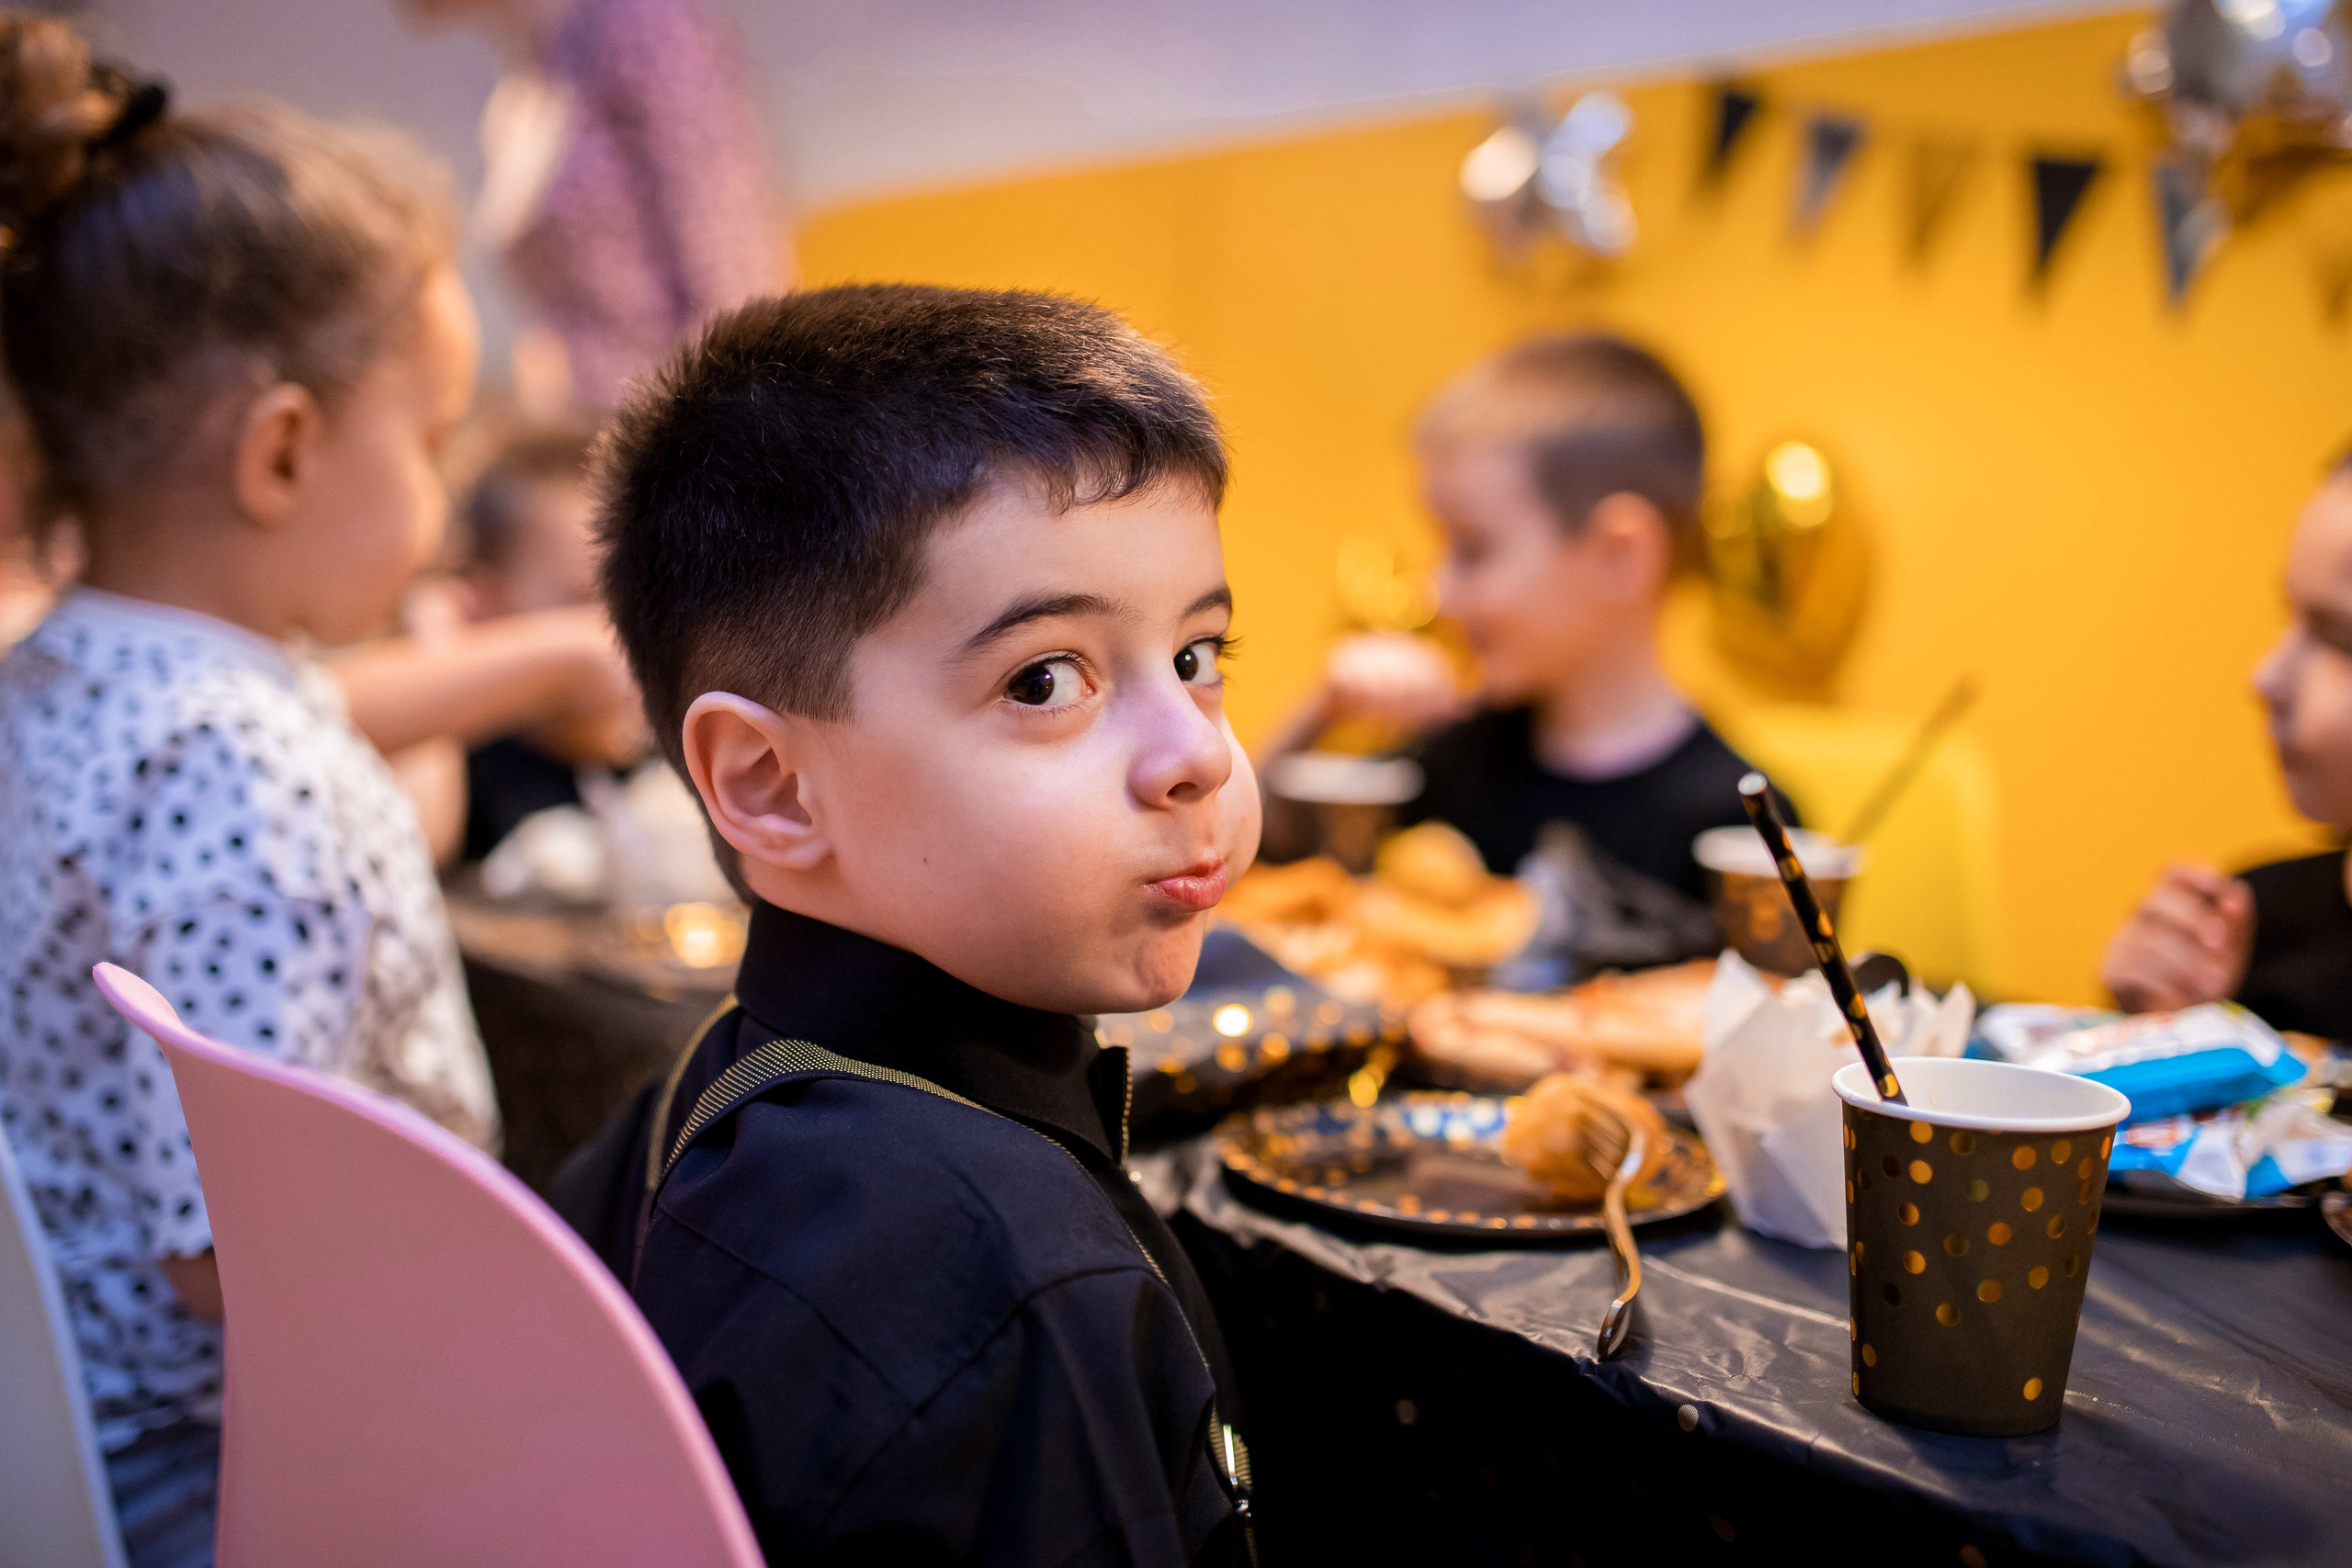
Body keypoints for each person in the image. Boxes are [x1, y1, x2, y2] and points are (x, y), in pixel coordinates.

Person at [594, 284, 1259, 1562]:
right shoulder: (1023, 1289)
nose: (1198, 754)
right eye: (1045, 678)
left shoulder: (706, 1085)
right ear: (770, 784)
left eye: (1198, 653)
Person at [0, 19, 539, 1562]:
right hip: (233, 1482)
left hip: (65, 1432)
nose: (441, 500)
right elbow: (238, 1256)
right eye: (433, 441)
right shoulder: (249, 768)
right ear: (283, 454)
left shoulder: (51, 685)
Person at [1260, 333, 1775, 969]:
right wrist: (1323, 709)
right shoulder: (1459, 753)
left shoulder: (1739, 824)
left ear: (1619, 555)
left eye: (1472, 549)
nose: (1437, 590)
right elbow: (1248, 855)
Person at [397, 0, 780, 412]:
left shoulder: (640, 25)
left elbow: (735, 274)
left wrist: (729, 438)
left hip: (685, 434)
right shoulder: (515, 99)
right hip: (593, 438)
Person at [2101, 460, 2352, 1041]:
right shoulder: (2245, 934)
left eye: (2339, 638)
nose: (2264, 677)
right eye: (2289, 617)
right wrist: (2165, 1033)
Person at [447, 421, 644, 858]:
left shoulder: (670, 758)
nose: (630, 632)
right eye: (588, 600)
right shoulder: (461, 769)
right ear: (487, 610)